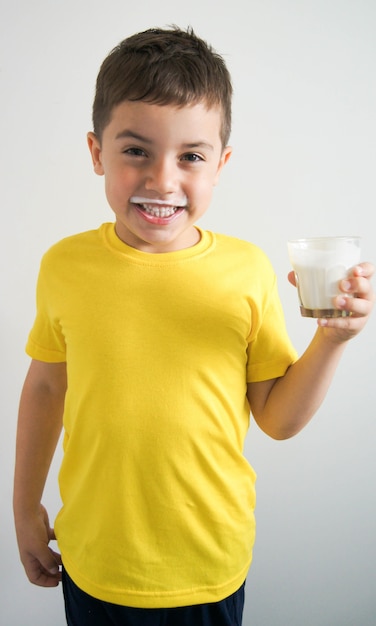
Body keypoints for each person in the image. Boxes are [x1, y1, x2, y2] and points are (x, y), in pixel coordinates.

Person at [13, 26, 374, 626]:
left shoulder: (246, 270)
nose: (162, 180)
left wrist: (332, 339)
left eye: (190, 156)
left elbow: (278, 420)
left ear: (221, 163)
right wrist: (24, 506)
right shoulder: (65, 266)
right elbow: (47, 388)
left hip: (206, 567)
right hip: (94, 562)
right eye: (135, 151)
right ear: (97, 151)